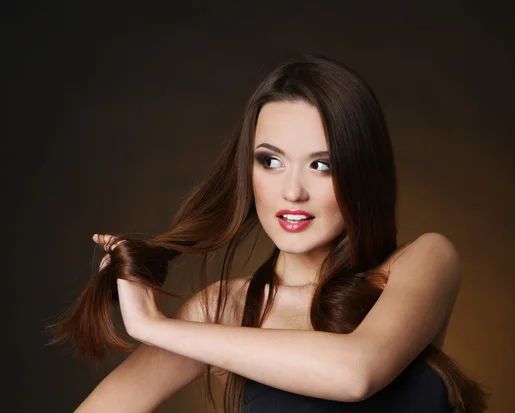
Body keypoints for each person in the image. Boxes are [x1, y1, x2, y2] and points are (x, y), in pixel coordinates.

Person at [51, 55, 488, 413]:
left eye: (322, 165)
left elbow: (357, 374)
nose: (292, 192)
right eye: (271, 161)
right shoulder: (226, 309)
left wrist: (152, 326)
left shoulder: (424, 263)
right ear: (249, 169)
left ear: (361, 173)